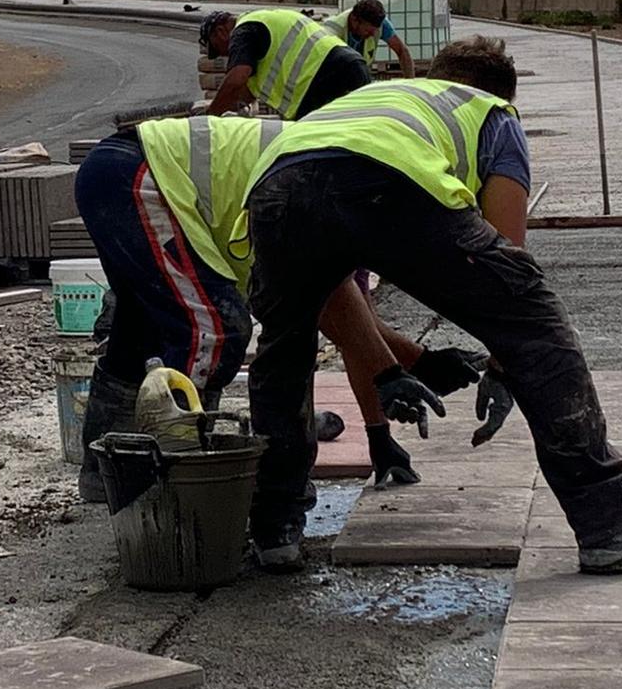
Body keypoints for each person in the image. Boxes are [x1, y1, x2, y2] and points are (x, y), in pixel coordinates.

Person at [238, 35, 622, 574]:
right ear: (502, 94)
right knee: (533, 318)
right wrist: (506, 363)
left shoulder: (382, 102)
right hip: (384, 178)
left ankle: (275, 529)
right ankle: (610, 522)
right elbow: (510, 259)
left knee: (283, 352)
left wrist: (392, 364)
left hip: (276, 185)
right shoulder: (492, 112)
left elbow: (332, 291)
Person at [71, 113, 490, 500]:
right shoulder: (344, 192)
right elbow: (338, 313)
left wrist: (413, 370)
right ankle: (182, 492)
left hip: (125, 171)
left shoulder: (354, 190)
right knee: (214, 332)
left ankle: (104, 477)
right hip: (138, 174)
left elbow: (344, 314)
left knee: (141, 329)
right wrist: (396, 374)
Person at [199, 8, 370, 119]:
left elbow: (236, 80)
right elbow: (244, 95)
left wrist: (211, 116)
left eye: (218, 49)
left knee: (315, 149)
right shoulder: (264, 23)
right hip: (350, 66)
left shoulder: (243, 30)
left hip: (324, 77)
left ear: (221, 32)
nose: (224, 54)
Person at [323, 0, 415, 77]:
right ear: (354, 20)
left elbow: (402, 51)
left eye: (375, 31)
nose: (372, 35)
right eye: (368, 31)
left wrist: (410, 84)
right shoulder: (332, 32)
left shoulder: (380, 24)